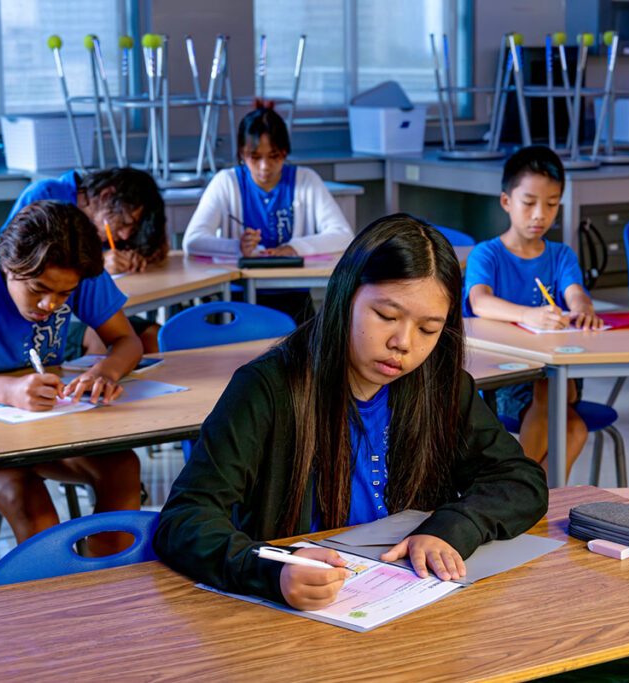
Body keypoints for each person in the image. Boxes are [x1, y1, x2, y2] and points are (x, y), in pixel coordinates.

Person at [154, 214, 548, 611]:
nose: (403, 343)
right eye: (386, 316)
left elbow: (520, 480)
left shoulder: (442, 387)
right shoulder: (269, 389)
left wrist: (454, 528)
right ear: (346, 295)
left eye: (428, 329)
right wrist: (272, 571)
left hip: (411, 606)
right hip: (299, 617)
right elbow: (185, 518)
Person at [0, 200, 143, 555]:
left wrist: (105, 372)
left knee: (123, 466)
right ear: (7, 266)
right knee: (27, 497)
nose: (50, 305)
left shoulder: (78, 267)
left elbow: (127, 341)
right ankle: (53, 606)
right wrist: (10, 391)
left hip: (41, 427)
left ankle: (106, 591)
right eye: (38, 289)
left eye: (64, 294)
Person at [463, 145, 602, 480]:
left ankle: (517, 492)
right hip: (507, 375)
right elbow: (480, 301)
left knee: (554, 394)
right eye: (529, 203)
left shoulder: (561, 255)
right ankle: (521, 490)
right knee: (575, 431)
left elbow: (576, 294)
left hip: (557, 373)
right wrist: (528, 315)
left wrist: (583, 308)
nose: (541, 214)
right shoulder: (488, 254)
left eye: (552, 204)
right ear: (506, 201)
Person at [3, 166, 168, 352]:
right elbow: (14, 258)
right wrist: (101, 262)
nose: (125, 235)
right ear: (106, 196)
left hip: (88, 309)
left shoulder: (105, 220)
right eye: (125, 223)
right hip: (44, 315)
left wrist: (136, 256)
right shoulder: (46, 195)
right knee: (99, 339)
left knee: (156, 336)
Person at [183, 104, 354, 259]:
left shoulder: (306, 180)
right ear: (242, 154)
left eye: (274, 156)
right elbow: (192, 241)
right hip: (238, 289)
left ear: (285, 151)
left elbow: (344, 236)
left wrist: (294, 248)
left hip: (294, 288)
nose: (264, 166)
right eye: (255, 157)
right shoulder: (226, 182)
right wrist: (237, 247)